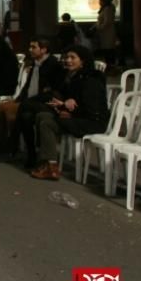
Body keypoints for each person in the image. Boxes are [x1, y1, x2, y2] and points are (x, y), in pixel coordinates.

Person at [30, 45, 108, 180]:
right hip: (79, 117)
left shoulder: (91, 80)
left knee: (47, 123)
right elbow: (69, 101)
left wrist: (71, 111)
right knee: (42, 115)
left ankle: (51, 166)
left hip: (93, 122)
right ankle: (45, 161)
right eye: (66, 57)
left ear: (82, 61)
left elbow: (93, 110)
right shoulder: (72, 77)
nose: (68, 60)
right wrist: (64, 106)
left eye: (73, 57)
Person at [0, 37, 63, 159]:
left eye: (34, 47)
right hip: (28, 99)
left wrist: (26, 101)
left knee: (17, 114)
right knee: (2, 106)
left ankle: (13, 147)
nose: (30, 50)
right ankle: (2, 143)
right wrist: (18, 99)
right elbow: (27, 85)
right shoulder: (36, 63)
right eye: (30, 47)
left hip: (41, 102)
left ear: (43, 50)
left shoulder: (53, 65)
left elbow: (52, 91)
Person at [95, 0, 118, 67]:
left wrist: (99, 27)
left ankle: (111, 66)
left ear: (104, 1)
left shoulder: (108, 9)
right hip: (105, 33)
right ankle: (109, 66)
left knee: (109, 50)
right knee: (107, 50)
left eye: (100, 1)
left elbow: (107, 22)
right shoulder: (105, 8)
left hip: (107, 33)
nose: (99, 2)